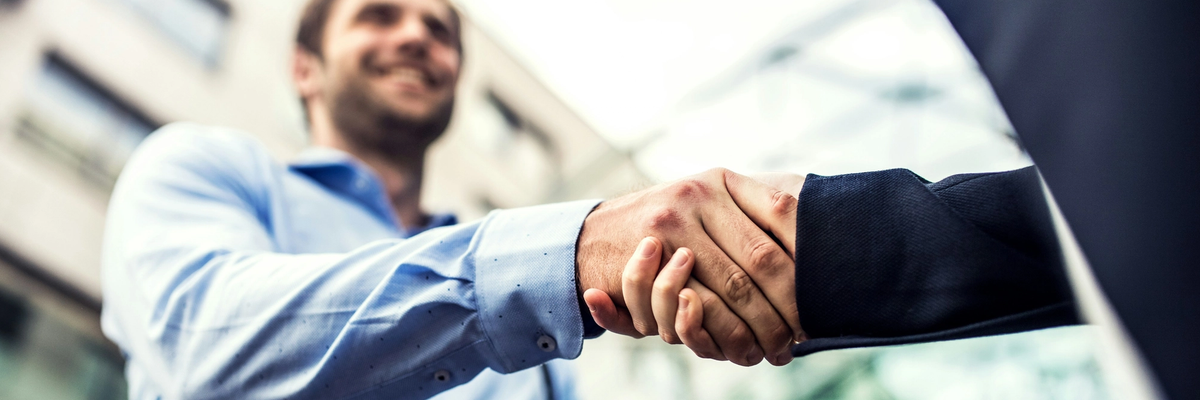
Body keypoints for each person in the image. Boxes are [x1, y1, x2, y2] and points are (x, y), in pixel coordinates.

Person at [99, 0, 804, 398]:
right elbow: (203, 355)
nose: (415, 36)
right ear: (303, 68)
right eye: (378, 16)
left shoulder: (546, 345)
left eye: (439, 31)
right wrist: (574, 252)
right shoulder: (205, 168)